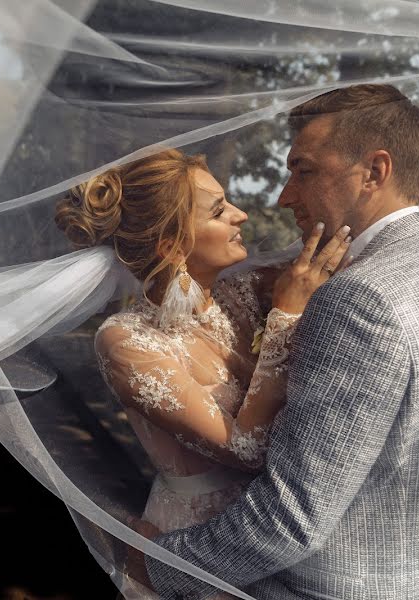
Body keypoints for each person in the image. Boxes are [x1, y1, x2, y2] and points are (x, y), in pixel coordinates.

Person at [133, 84, 419, 599]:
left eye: (304, 170)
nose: (283, 196)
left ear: (375, 172)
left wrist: (155, 564)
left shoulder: (358, 300)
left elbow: (292, 519)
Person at [56, 147, 352, 598]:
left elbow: (342, 247)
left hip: (277, 531)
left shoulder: (247, 290)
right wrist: (286, 319)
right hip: (193, 548)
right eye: (219, 211)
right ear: (171, 244)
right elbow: (244, 448)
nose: (242, 216)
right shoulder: (126, 342)